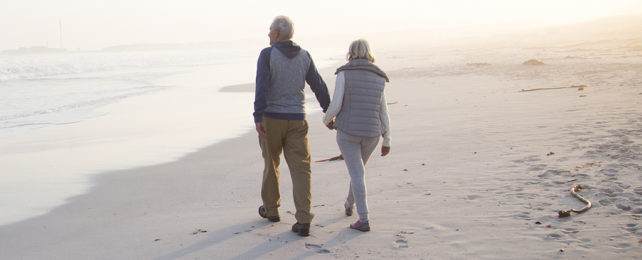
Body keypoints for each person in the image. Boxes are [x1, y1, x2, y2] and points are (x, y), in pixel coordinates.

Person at [253, 15, 331, 237]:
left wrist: (258, 115)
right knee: (301, 168)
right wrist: (329, 111)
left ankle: (271, 210)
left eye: (270, 30)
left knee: (271, 163)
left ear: (277, 33)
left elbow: (262, 86)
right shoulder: (305, 56)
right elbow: (318, 85)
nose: (268, 34)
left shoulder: (267, 55)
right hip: (297, 118)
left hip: (271, 119)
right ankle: (304, 219)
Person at [323, 39, 391, 232]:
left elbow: (336, 105)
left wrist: (327, 120)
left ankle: (364, 218)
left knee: (357, 172)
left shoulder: (344, 73)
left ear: (350, 53)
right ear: (370, 53)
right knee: (358, 170)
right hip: (372, 134)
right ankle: (348, 204)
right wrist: (387, 138)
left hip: (348, 132)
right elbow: (383, 110)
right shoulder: (379, 76)